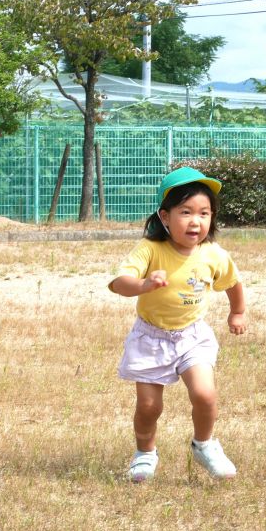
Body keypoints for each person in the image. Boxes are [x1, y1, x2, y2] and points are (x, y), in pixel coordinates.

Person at [108, 167, 247, 484]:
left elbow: (233, 283)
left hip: (192, 336)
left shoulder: (213, 254)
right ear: (165, 216)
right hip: (151, 338)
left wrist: (237, 312)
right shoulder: (150, 249)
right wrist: (143, 284)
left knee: (205, 394)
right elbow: (119, 283)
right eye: (185, 212)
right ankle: (145, 453)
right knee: (148, 406)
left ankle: (205, 444)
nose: (196, 221)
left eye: (204, 213)